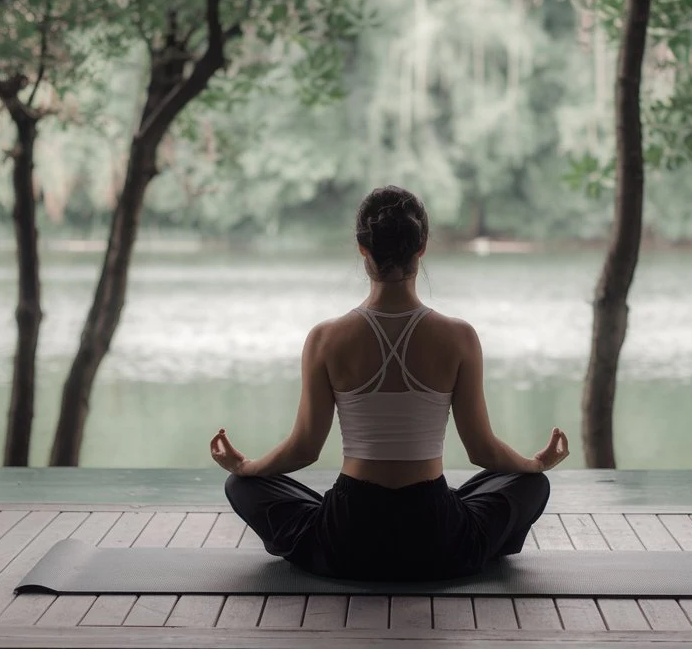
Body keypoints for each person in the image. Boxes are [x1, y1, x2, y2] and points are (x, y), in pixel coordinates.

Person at [210, 185, 568, 582]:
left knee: (242, 487)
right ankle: (465, 551)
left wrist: (247, 466)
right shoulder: (459, 337)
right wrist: (535, 465)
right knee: (528, 486)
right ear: (422, 247)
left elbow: (304, 449)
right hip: (435, 534)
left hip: (347, 535)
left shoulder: (325, 338)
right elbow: (483, 451)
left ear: (363, 249)